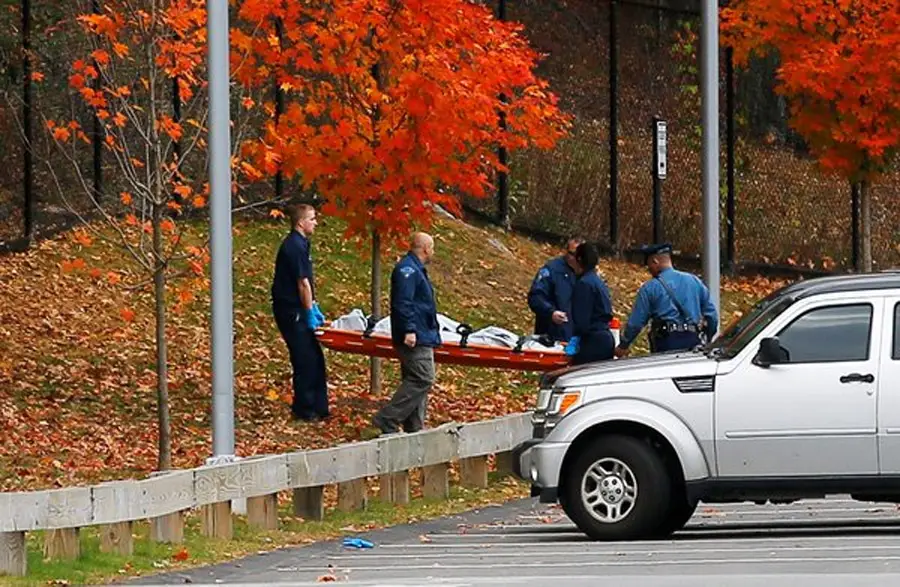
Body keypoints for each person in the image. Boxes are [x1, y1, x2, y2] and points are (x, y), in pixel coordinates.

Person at [368, 232, 441, 437]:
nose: (433, 252)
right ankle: (388, 417)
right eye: (432, 247)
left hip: (422, 332)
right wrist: (409, 329)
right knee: (423, 378)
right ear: (426, 248)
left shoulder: (415, 270)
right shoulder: (408, 271)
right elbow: (403, 302)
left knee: (415, 378)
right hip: (415, 335)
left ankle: (415, 427)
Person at [271, 203, 328, 422]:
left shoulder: (302, 244)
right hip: (291, 310)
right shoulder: (294, 246)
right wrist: (308, 311)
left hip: (297, 308)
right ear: (301, 222)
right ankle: (305, 410)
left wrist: (313, 305)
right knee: (305, 358)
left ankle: (318, 407)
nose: (315, 223)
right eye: (312, 219)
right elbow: (302, 283)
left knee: (314, 358)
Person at [614, 243, 719, 357]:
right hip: (693, 342)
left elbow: (636, 323)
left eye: (648, 264)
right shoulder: (694, 281)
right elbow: (712, 316)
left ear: (655, 261)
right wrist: (708, 337)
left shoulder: (650, 288)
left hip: (666, 343)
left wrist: (623, 345)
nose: (648, 269)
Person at [527, 236, 584, 343]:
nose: (574, 258)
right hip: (553, 336)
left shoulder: (588, 274)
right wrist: (550, 312)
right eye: (571, 254)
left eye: (578, 256)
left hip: (579, 338)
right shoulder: (552, 270)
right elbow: (536, 296)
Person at [568, 242, 616, 365]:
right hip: (605, 338)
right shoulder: (597, 281)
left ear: (579, 260)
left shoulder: (584, 284)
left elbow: (582, 320)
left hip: (592, 341)